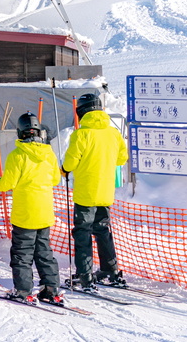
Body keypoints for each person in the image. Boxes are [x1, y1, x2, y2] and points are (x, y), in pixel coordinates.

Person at [0, 113, 64, 305]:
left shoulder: (18, 155)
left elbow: (7, 183)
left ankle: (23, 290)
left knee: (22, 254)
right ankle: (51, 289)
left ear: (20, 133)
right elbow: (55, 179)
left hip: (25, 213)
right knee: (44, 251)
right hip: (45, 212)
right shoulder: (49, 154)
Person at [63, 91, 129, 291]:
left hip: (86, 193)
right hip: (105, 192)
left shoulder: (81, 134)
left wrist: (66, 169)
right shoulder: (113, 132)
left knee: (82, 233)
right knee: (103, 230)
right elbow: (121, 159)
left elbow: (70, 163)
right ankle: (111, 270)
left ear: (82, 112)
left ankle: (85, 275)